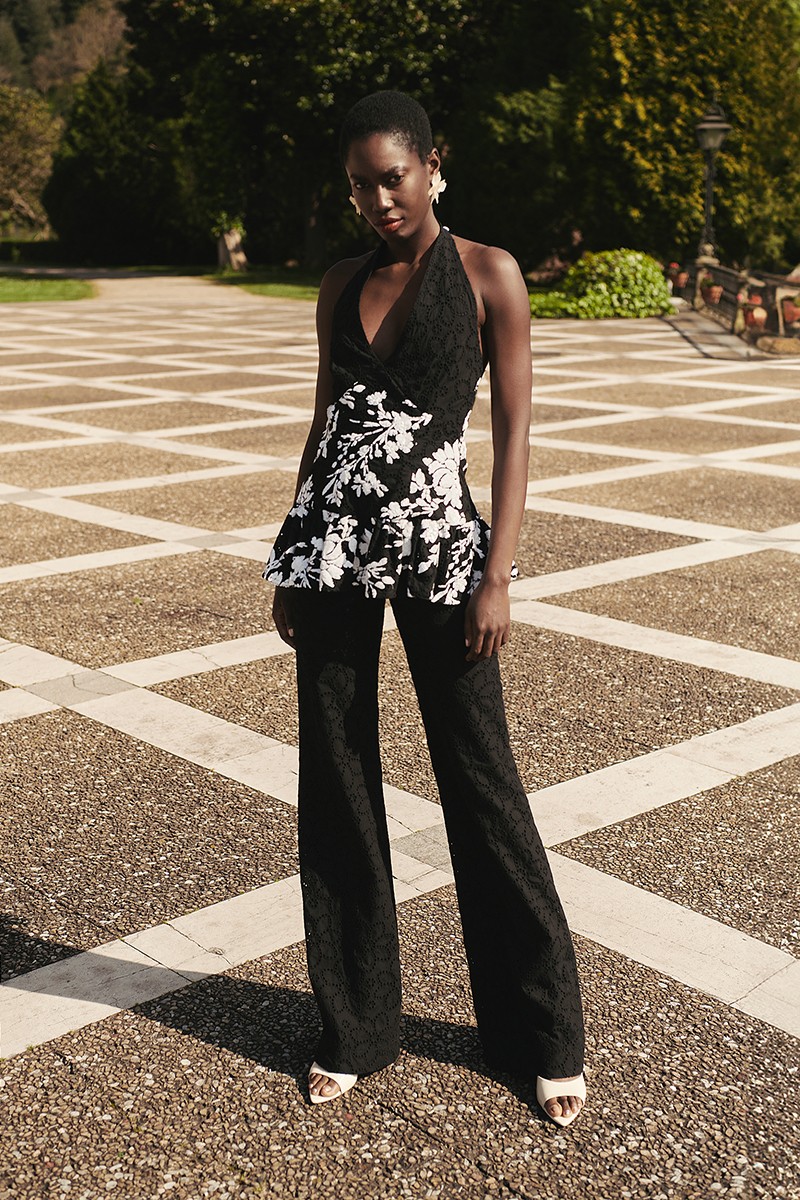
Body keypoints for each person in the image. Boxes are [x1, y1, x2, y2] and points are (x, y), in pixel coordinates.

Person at [264, 90, 586, 1128]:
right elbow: (325, 425)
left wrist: (499, 573)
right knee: (336, 779)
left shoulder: (487, 274)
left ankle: (540, 1036)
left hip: (445, 558)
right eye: (360, 184)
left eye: (392, 177)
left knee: (482, 782)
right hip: (332, 557)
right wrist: (293, 554)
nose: (378, 200)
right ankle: (355, 1026)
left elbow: (515, 431)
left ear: (432, 167)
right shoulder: (338, 284)